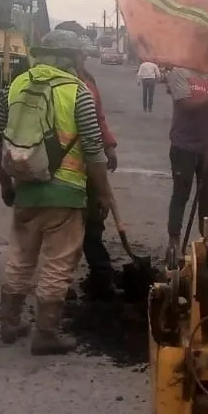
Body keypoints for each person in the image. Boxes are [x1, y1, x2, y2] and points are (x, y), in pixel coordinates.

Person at [0, 30, 114, 355]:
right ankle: (45, 333)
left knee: (20, 256)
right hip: (66, 194)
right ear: (72, 58)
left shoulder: (15, 86)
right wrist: (104, 194)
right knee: (58, 264)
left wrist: (6, 184)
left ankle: (9, 322)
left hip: (25, 189)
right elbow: (94, 151)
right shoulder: (79, 93)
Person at [164, 64, 208, 256]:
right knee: (181, 194)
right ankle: (174, 243)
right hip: (183, 146)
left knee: (207, 195)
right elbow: (186, 105)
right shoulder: (179, 73)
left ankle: (206, 241)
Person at [77, 62, 120, 301]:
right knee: (66, 229)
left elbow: (98, 119)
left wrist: (109, 145)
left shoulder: (88, 81)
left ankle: (100, 274)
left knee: (94, 221)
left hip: (88, 166)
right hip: (64, 168)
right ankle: (57, 288)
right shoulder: (62, 83)